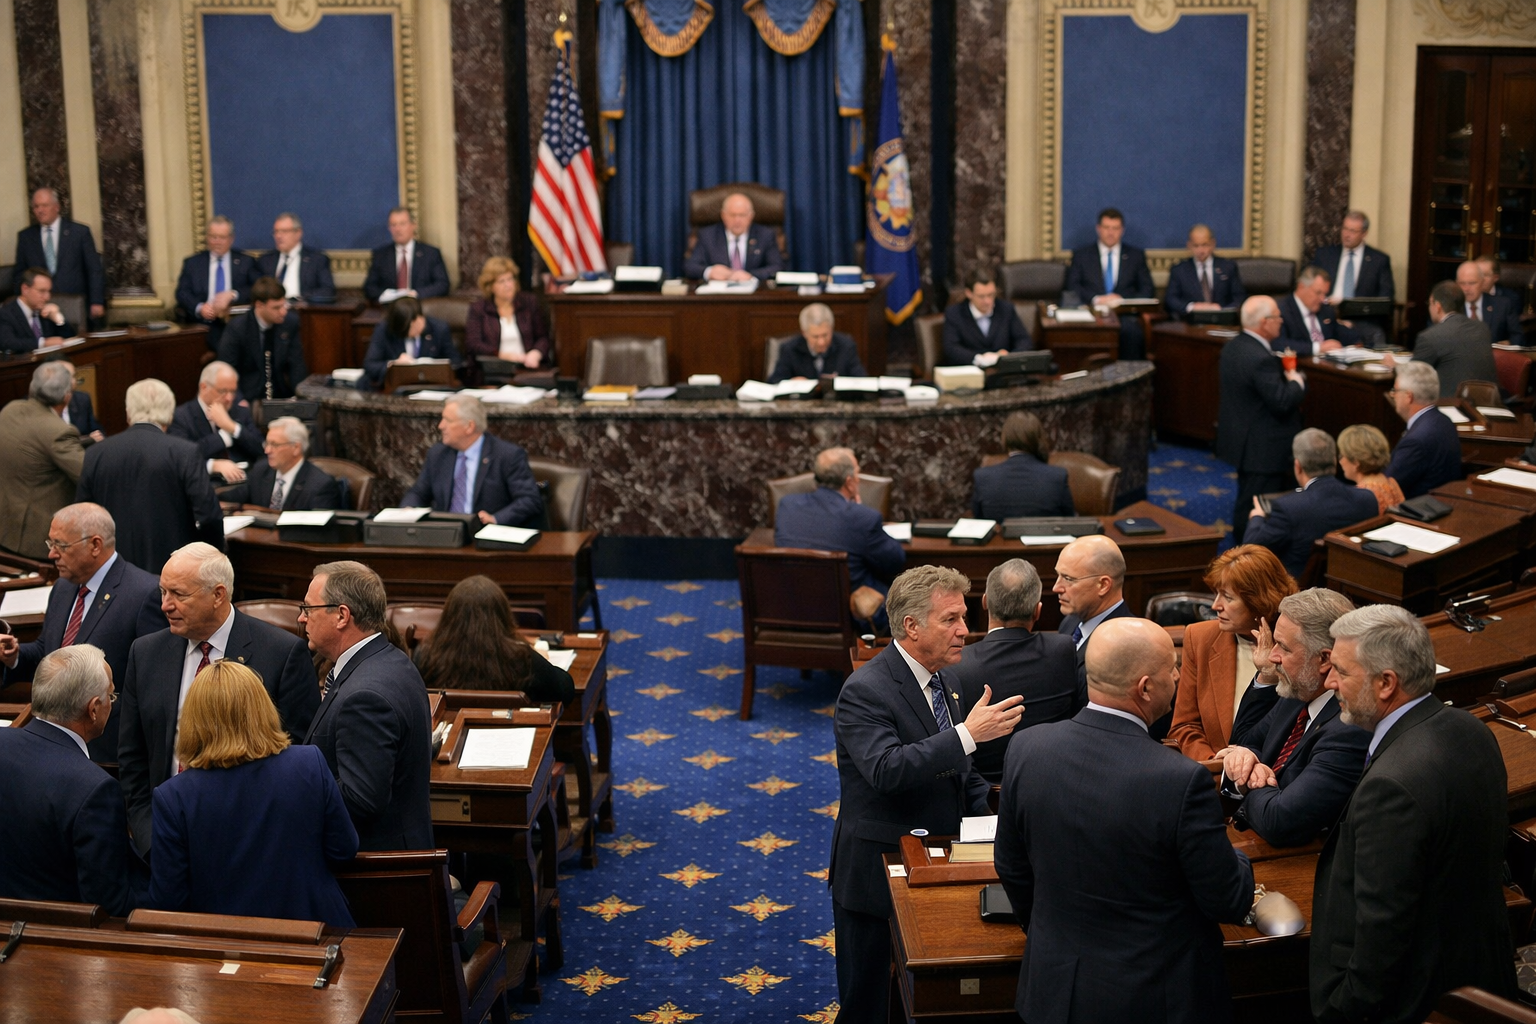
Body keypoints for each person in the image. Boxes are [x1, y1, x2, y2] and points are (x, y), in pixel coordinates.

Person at [994, 617, 1253, 1024]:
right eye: (1173, 668)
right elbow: (1227, 899)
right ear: (1146, 687)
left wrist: (1051, 931)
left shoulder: (1027, 747)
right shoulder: (1180, 781)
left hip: (1054, 988)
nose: (1179, 675)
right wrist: (1238, 858)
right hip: (1152, 999)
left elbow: (1010, 865)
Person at [830, 566, 1024, 1024]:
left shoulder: (947, 680)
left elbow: (960, 772)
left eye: (963, 617)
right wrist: (966, 736)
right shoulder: (864, 691)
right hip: (878, 873)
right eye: (951, 620)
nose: (964, 630)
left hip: (936, 863)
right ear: (911, 626)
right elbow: (886, 769)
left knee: (927, 1002)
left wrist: (1000, 817)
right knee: (870, 1004)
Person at [1311, 604, 1516, 1022]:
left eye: (1342, 672)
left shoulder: (1392, 785)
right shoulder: (1471, 728)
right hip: (1477, 970)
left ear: (1386, 683)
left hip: (1415, 1002)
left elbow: (1383, 931)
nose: (1329, 682)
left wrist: (1344, 1008)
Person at [118, 542, 319, 855]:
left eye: (178, 594)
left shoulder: (281, 654)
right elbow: (133, 758)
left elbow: (296, 756)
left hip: (249, 845)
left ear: (218, 595)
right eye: (163, 592)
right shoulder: (144, 653)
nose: (165, 606)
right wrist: (150, 839)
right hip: (164, 839)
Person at [147, 660, 357, 927]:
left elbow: (168, 901)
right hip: (315, 935)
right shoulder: (308, 764)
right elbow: (344, 849)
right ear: (262, 708)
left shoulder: (173, 796)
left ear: (193, 720)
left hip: (225, 948)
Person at [0, 503, 166, 762]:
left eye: (61, 545)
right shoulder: (64, 587)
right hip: (49, 742)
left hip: (104, 754)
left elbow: (151, 686)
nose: (52, 554)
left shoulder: (145, 594)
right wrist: (15, 656)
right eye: (50, 544)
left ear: (95, 545)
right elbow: (48, 651)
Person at [299, 560, 434, 851]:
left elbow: (361, 800)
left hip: (373, 874)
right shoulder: (391, 659)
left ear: (341, 616)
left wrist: (292, 775)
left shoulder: (365, 696)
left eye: (308, 609)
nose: (301, 618)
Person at [1220, 588, 1368, 848]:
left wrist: (1249, 781)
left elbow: (1281, 820)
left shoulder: (1351, 728)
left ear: (1324, 659)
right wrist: (1247, 760)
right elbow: (1245, 743)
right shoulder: (1298, 692)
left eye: (1284, 648)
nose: (1272, 656)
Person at [0, 645, 136, 916]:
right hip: (54, 939)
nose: (113, 701)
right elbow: (107, 903)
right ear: (94, 709)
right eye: (111, 695)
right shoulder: (94, 789)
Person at [950, 559, 1081, 780]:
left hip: (983, 795)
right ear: (1038, 611)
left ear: (984, 603)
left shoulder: (959, 664)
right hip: (1053, 783)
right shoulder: (1064, 649)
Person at [76, 379, 224, 573]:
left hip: (111, 573)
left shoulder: (96, 453)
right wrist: (211, 558)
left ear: (129, 412)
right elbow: (209, 517)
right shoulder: (184, 452)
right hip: (171, 573)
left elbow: (82, 515)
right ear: (170, 413)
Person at [1167, 545, 1296, 761]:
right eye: (1217, 594)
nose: (1216, 605)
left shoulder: (1296, 647)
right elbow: (1184, 727)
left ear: (1259, 600)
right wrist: (1217, 765)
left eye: (1228, 597)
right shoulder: (1200, 638)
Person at [774, 447, 905, 629]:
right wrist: (857, 510)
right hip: (847, 611)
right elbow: (895, 561)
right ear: (849, 482)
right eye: (858, 473)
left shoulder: (787, 505)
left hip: (792, 604)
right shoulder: (862, 518)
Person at [1218, 296, 1308, 543]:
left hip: (1243, 441)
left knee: (1246, 499)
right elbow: (1281, 401)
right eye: (1278, 317)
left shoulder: (1233, 346)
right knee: (1257, 505)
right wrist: (1296, 381)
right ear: (1264, 322)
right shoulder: (1261, 358)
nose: (1281, 321)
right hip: (1264, 448)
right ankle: (1248, 557)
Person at [415, 575, 576, 706]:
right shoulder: (522, 659)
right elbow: (566, 690)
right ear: (502, 616)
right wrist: (542, 661)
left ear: (449, 616)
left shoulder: (426, 655)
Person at [1243, 428, 1379, 578]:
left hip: (1297, 593)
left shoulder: (1288, 508)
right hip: (1349, 584)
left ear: (1298, 466)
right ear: (1334, 461)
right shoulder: (1368, 499)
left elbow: (1250, 551)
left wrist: (1257, 517)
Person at [401, 394, 543, 527]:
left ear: (469, 426)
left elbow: (529, 500)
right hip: (445, 534)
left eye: (448, 420)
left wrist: (496, 519)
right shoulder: (438, 454)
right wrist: (408, 509)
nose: (441, 426)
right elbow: (418, 493)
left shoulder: (507, 455)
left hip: (485, 536)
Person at [0, 361, 86, 558]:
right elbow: (86, 476)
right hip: (36, 541)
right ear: (67, 397)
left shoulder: (9, 411)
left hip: (5, 527)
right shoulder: (59, 432)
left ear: (32, 387)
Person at [1063, 207, 1155, 359]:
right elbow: (1072, 287)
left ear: (1122, 230)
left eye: (1115, 228)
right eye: (1106, 228)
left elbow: (1147, 289)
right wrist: (1097, 299)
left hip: (1125, 316)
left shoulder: (1135, 256)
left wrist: (1122, 300)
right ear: (1098, 229)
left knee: (1133, 333)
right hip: (1091, 313)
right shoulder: (1082, 255)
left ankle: (1131, 380)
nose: (1110, 233)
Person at [15, 187, 106, 321]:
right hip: (41, 309)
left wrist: (97, 301)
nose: (40, 210)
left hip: (77, 305)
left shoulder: (79, 233)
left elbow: (94, 270)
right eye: (36, 206)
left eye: (44, 206)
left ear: (56, 207)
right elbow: (20, 274)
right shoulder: (26, 237)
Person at [219, 417, 343, 511]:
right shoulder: (261, 471)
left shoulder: (320, 485)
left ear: (296, 448)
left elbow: (320, 531)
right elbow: (232, 497)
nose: (267, 450)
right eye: (267, 444)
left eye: (275, 445)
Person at [173, 215, 257, 352]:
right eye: (213, 237)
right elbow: (182, 293)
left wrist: (233, 294)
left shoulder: (245, 261)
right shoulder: (193, 263)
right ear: (207, 237)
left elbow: (256, 288)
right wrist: (200, 308)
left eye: (222, 237)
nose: (217, 242)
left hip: (236, 320)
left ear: (231, 239)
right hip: (204, 323)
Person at [216, 276, 307, 402]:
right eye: (276, 308)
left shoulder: (289, 323)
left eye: (283, 305)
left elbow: (297, 364)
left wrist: (300, 396)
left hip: (281, 394)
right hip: (247, 397)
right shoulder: (237, 328)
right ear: (259, 305)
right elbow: (227, 369)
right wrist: (237, 400)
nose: (283, 312)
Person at [970, 411, 1074, 520]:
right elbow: (1070, 521)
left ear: (1004, 439)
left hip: (1000, 537)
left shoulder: (983, 477)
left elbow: (979, 523)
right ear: (1039, 439)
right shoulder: (1057, 476)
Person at [167, 361, 262, 479]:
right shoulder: (181, 417)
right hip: (207, 483)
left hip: (245, 480)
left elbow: (261, 449)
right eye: (223, 391)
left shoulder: (240, 411)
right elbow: (182, 457)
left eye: (233, 391)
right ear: (203, 387)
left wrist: (232, 427)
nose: (229, 398)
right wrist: (213, 463)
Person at [1053, 534, 1134, 671]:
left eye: (1068, 579)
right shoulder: (1071, 621)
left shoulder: (1125, 644)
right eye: (1058, 575)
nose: (1056, 588)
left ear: (1103, 585)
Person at [1408, 276, 1496, 397]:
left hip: (1451, 405)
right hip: (1486, 402)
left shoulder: (1430, 336)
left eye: (1430, 303)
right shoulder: (1482, 328)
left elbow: (1412, 377)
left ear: (1437, 306)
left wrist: (1396, 367)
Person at [1385, 360, 1462, 498]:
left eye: (1395, 390)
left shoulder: (1416, 440)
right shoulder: (1444, 421)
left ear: (1409, 397)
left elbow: (1386, 486)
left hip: (1413, 510)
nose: (1392, 395)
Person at [464, 256, 552, 373]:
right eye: (502, 281)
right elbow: (473, 344)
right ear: (490, 286)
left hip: (527, 368)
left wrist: (536, 353)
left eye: (510, 279)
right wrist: (501, 355)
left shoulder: (529, 303)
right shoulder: (479, 309)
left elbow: (543, 337)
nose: (508, 285)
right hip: (493, 371)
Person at [363, 295, 461, 390]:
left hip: (431, 387)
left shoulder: (439, 329)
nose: (412, 330)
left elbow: (455, 362)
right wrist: (394, 365)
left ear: (420, 317)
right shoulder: (384, 330)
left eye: (413, 324)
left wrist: (433, 367)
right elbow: (370, 365)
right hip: (396, 389)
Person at [682, 191, 784, 282]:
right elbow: (690, 267)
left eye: (742, 215)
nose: (737, 220)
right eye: (732, 215)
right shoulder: (708, 235)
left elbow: (777, 267)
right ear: (723, 215)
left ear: (751, 216)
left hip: (754, 295)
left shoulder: (765, 235)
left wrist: (750, 276)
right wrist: (709, 272)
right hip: (719, 295)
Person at [940, 269, 1032, 365]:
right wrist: (979, 359)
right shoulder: (955, 314)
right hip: (972, 371)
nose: (987, 301)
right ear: (969, 293)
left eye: (991, 295)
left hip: (1003, 371)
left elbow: (1024, 341)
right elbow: (951, 348)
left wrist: (1008, 357)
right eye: (981, 296)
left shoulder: (1006, 309)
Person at [363, 207, 449, 303]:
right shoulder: (381, 255)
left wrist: (415, 294)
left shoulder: (430, 254)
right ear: (389, 229)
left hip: (421, 308)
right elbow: (369, 288)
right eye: (393, 225)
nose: (398, 229)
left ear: (413, 225)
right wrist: (387, 295)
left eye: (402, 224)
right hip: (390, 310)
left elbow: (442, 285)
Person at [767, 303, 868, 383]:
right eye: (815, 337)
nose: (821, 342)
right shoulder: (789, 349)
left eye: (825, 335)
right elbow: (774, 383)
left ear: (831, 329)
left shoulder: (846, 346)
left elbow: (862, 381)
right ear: (804, 333)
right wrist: (791, 383)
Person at [1309, 210, 1395, 303]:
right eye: (1345, 229)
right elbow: (1309, 286)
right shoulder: (1324, 255)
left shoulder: (1378, 260)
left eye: (1352, 231)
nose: (1346, 235)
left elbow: (1386, 296)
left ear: (1364, 233)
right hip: (1327, 311)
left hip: (1360, 314)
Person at [1163, 224, 1246, 317]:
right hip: (1190, 321)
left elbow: (1239, 297)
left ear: (1213, 243)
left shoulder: (1228, 267)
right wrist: (1192, 307)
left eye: (1205, 245)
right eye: (1196, 246)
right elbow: (1170, 299)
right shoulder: (1179, 270)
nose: (1201, 250)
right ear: (1189, 245)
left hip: (1222, 320)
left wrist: (1222, 310)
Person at [254, 212, 334, 301]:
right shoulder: (265, 261)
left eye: (284, 231)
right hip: (272, 312)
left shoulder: (317, 260)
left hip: (302, 310)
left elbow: (327, 291)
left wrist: (299, 298)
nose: (278, 236)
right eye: (276, 232)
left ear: (298, 233)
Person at [1279, 266, 1356, 355]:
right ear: (1301, 287)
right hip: (1302, 364)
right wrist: (1317, 348)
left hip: (1330, 363)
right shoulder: (1282, 310)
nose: (1322, 299)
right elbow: (1279, 344)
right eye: (1318, 293)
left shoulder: (1325, 310)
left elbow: (1342, 333)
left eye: (1325, 294)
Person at [1, 266, 77, 353]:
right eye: (42, 291)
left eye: (49, 291)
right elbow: (7, 343)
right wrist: (43, 343)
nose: (47, 297)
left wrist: (58, 319)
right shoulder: (6, 314)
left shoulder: (46, 311)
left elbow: (70, 338)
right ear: (25, 289)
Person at [1338, 423, 1404, 514]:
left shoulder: (1360, 495)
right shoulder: (1392, 483)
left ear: (1356, 462)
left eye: (1341, 455)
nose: (1340, 461)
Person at [1476, 255, 1526, 347]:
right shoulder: (1465, 296)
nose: (1480, 279)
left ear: (1495, 277)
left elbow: (1516, 334)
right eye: (1477, 274)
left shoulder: (1509, 299)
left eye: (1485, 275)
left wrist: (1510, 342)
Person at [62, 368, 104, 444]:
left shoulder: (82, 399)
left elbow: (97, 431)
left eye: (73, 376)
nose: (72, 381)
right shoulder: (43, 408)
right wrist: (87, 440)